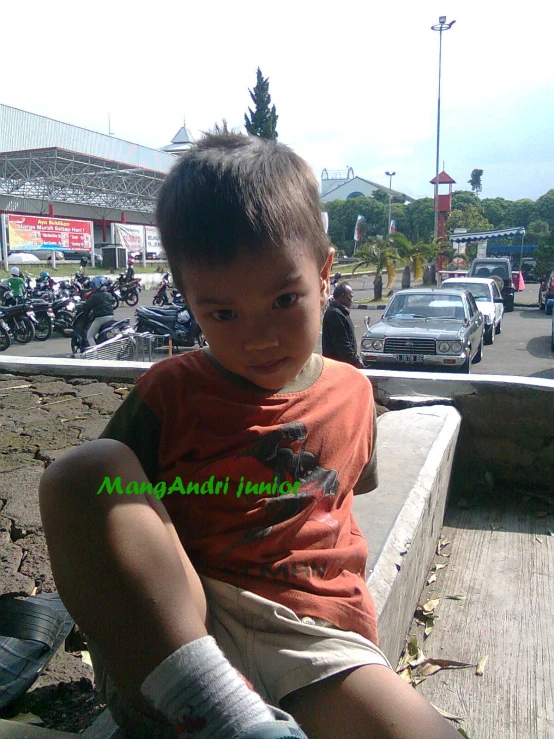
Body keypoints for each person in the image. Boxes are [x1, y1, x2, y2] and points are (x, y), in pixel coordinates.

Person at [39, 132, 461, 739]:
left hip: (314, 635)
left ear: (323, 274)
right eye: (224, 314)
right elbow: (107, 509)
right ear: (187, 301)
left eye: (283, 298)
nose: (258, 337)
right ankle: (228, 715)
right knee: (86, 472)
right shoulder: (170, 396)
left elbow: (343, 494)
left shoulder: (353, 394)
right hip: (183, 626)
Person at [322, 283, 365, 369]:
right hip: (338, 366)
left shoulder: (340, 312)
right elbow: (342, 343)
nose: (352, 300)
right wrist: (355, 363)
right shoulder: (335, 313)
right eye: (351, 297)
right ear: (343, 296)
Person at [82, 276, 115, 347]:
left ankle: (95, 353)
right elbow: (112, 302)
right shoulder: (109, 294)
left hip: (100, 319)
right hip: (111, 317)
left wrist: (84, 321)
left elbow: (86, 308)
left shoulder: (94, 296)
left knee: (90, 336)